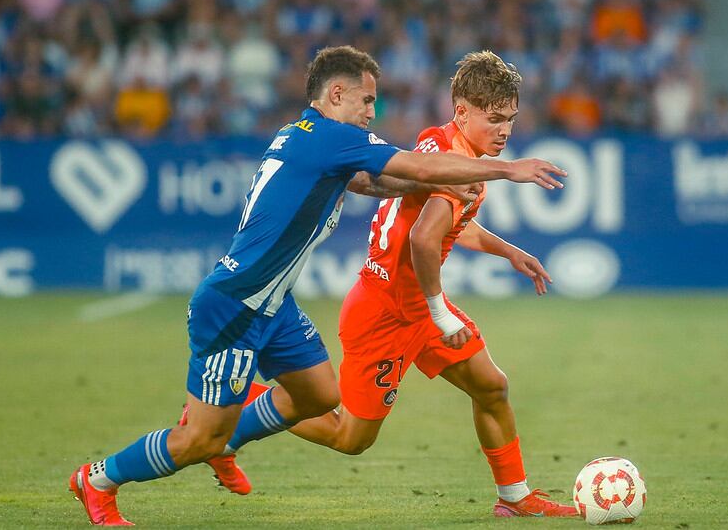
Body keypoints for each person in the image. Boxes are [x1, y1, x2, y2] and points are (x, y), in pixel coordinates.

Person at [68, 45, 567, 526]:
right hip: (237, 305)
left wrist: (455, 199)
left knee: (319, 396)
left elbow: (373, 184)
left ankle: (514, 497)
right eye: (366, 100)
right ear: (335, 95)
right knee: (205, 439)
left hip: (276, 305)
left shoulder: (306, 135)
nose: (374, 110)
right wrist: (506, 170)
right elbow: (412, 176)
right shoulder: (332, 137)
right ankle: (100, 479)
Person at [207, 51, 577, 518]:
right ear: (461, 110)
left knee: (491, 387)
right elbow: (425, 240)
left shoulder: (443, 148)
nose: (504, 130)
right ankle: (237, 402)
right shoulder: (454, 161)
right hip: (384, 312)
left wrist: (508, 251)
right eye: (495, 119)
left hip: (414, 305)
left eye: (511, 120)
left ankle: (515, 498)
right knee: (350, 438)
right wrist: (441, 314)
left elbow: (445, 225)